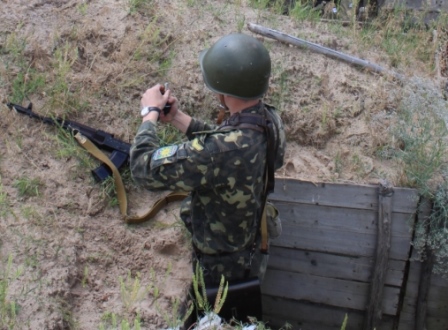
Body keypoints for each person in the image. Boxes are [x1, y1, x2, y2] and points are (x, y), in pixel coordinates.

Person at [130, 33, 286, 288]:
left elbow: (142, 167)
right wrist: (179, 118)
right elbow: (227, 143)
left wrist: (150, 114)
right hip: (255, 245)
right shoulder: (271, 120)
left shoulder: (216, 152)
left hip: (220, 268)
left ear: (222, 91)